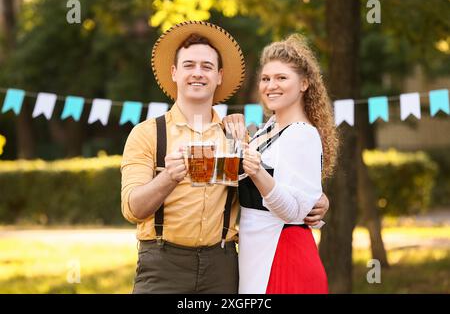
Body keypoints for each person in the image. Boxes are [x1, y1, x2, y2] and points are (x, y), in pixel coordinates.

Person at [120, 21, 329, 294]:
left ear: (219, 76)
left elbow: (278, 178)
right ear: (174, 72)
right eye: (189, 65)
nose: (198, 73)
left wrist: (318, 199)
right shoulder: (147, 134)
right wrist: (168, 179)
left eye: (206, 67)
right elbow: (132, 209)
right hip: (163, 266)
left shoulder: (237, 137)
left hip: (223, 267)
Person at [224, 34, 338, 294]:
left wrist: (257, 171)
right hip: (258, 255)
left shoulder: (302, 133)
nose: (270, 85)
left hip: (284, 255)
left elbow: (293, 213)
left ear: (304, 84)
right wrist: (234, 138)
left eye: (281, 78)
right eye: (266, 79)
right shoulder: (269, 128)